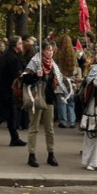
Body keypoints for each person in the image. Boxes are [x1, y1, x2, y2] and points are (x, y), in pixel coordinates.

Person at [22, 40, 61, 168]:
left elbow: (57, 80)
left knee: (49, 128)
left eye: (52, 50)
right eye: (48, 50)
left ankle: (51, 153)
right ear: (42, 51)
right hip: (37, 97)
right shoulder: (35, 62)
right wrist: (36, 76)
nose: (50, 52)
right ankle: (31, 155)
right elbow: (25, 78)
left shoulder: (53, 65)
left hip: (49, 98)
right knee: (34, 127)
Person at [55, 34, 78, 128]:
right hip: (71, 79)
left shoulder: (58, 54)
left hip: (61, 78)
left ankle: (63, 121)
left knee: (62, 101)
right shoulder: (73, 54)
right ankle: (72, 121)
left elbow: (56, 66)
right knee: (71, 102)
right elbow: (76, 68)